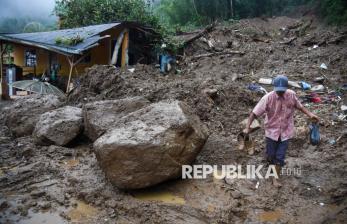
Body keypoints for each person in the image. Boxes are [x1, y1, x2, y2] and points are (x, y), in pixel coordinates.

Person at [244, 75, 319, 187]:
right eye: (278, 91)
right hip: (271, 131)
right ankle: (270, 164)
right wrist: (247, 127)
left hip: (285, 131)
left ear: (286, 88)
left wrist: (310, 114)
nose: (280, 93)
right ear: (274, 89)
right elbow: (254, 113)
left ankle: (275, 178)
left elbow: (300, 107)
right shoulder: (267, 98)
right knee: (271, 155)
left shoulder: (291, 95)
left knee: (280, 157)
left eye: (282, 91)